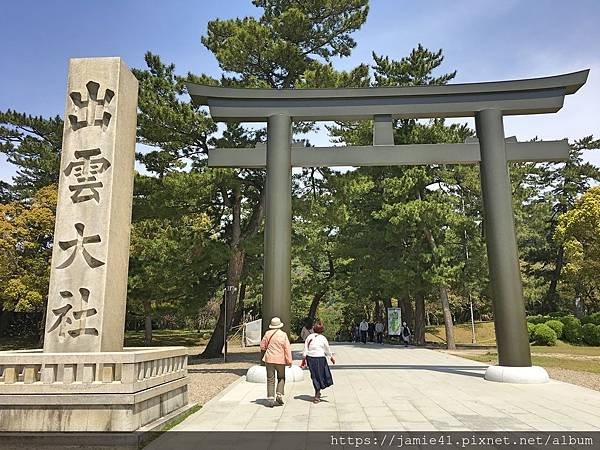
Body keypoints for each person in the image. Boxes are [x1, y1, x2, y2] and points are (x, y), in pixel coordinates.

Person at [260, 317, 292, 407]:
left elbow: (262, 346)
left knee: (270, 378)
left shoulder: (267, 333)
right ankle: (279, 394)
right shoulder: (283, 335)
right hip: (280, 360)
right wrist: (289, 360)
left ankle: (270, 398)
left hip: (269, 359)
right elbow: (287, 348)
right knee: (281, 377)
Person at [303, 322, 335, 403]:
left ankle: (317, 390)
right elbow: (327, 349)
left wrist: (304, 357)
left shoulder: (309, 337)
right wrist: (331, 357)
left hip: (310, 358)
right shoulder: (323, 338)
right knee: (320, 374)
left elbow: (306, 347)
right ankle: (317, 392)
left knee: (314, 375)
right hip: (320, 358)